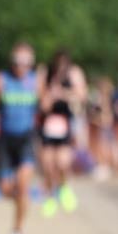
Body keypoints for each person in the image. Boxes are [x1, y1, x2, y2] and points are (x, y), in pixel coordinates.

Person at [0, 43, 41, 234]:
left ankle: (17, 231)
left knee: (24, 185)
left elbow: (44, 106)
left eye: (27, 63)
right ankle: (20, 202)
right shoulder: (0, 80)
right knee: (5, 189)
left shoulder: (36, 82)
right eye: (17, 62)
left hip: (26, 138)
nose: (21, 66)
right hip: (5, 140)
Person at [37, 49, 86, 217]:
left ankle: (64, 187)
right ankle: (50, 196)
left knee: (63, 162)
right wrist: (51, 94)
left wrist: (64, 94)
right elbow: (42, 103)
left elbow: (81, 96)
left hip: (65, 124)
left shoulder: (74, 73)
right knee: (48, 164)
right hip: (48, 125)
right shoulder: (45, 73)